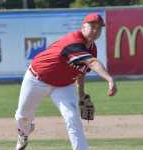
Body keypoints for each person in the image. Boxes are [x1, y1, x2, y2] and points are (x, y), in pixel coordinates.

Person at [15, 12, 117, 150]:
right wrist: (109, 79)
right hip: (36, 79)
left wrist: (81, 93)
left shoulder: (92, 48)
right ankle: (23, 133)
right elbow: (92, 62)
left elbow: (81, 71)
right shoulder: (74, 42)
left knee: (73, 118)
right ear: (83, 27)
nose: (96, 30)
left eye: (99, 28)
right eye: (92, 26)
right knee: (23, 116)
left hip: (63, 85)